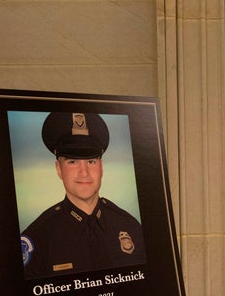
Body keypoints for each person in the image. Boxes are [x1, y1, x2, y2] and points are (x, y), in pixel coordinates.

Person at [21, 112, 146, 279]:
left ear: (101, 168)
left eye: (91, 161)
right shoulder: (38, 237)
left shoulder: (131, 227)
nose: (84, 172)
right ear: (59, 169)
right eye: (72, 162)